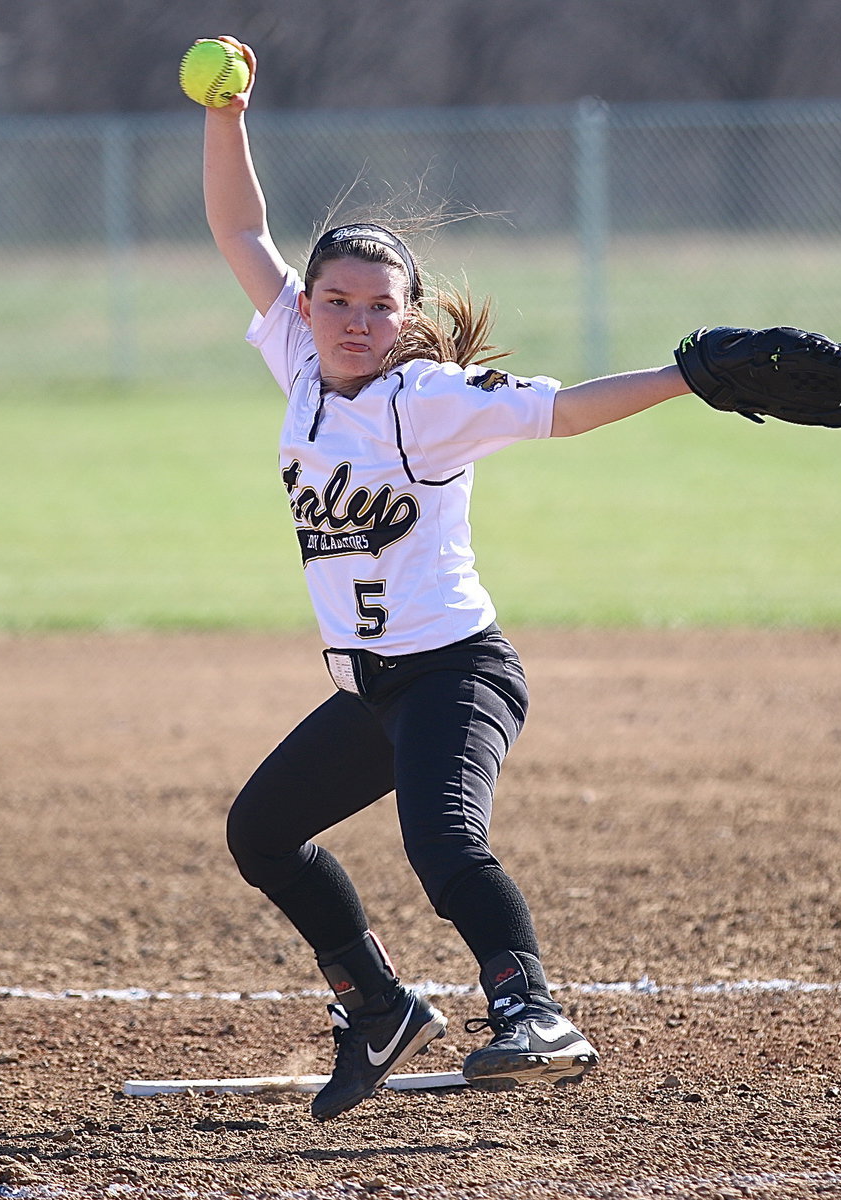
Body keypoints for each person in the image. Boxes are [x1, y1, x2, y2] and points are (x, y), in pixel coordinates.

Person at [203, 37, 690, 1122]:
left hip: (456, 672)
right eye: (336, 300)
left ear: (408, 314)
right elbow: (240, 231)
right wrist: (228, 113)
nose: (357, 321)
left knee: (443, 839)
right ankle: (378, 1007)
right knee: (262, 833)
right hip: (372, 685)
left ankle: (534, 1011)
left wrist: (688, 376)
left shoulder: (425, 399)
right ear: (311, 306)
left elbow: (563, 409)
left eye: (381, 305)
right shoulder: (296, 362)